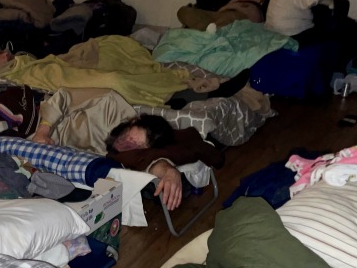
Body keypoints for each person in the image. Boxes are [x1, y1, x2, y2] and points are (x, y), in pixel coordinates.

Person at [31, 89, 224, 210]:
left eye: (136, 146)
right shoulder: (110, 103)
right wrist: (43, 130)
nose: (127, 145)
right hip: (39, 122)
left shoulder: (123, 154)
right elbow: (63, 96)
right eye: (130, 138)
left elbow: (151, 157)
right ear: (132, 122)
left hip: (54, 159)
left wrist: (169, 170)